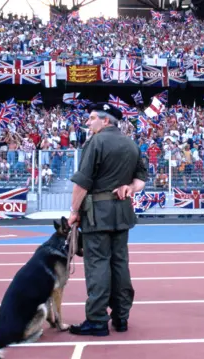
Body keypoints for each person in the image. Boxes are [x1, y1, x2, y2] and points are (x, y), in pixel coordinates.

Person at [67, 103, 147, 336]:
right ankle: (121, 317)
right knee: (120, 264)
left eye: (92, 118)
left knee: (98, 265)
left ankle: (97, 319)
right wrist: (129, 187)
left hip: (97, 213)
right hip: (122, 211)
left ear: (106, 121)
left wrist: (74, 211)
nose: (88, 122)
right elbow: (141, 180)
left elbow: (83, 182)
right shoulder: (131, 144)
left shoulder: (96, 141)